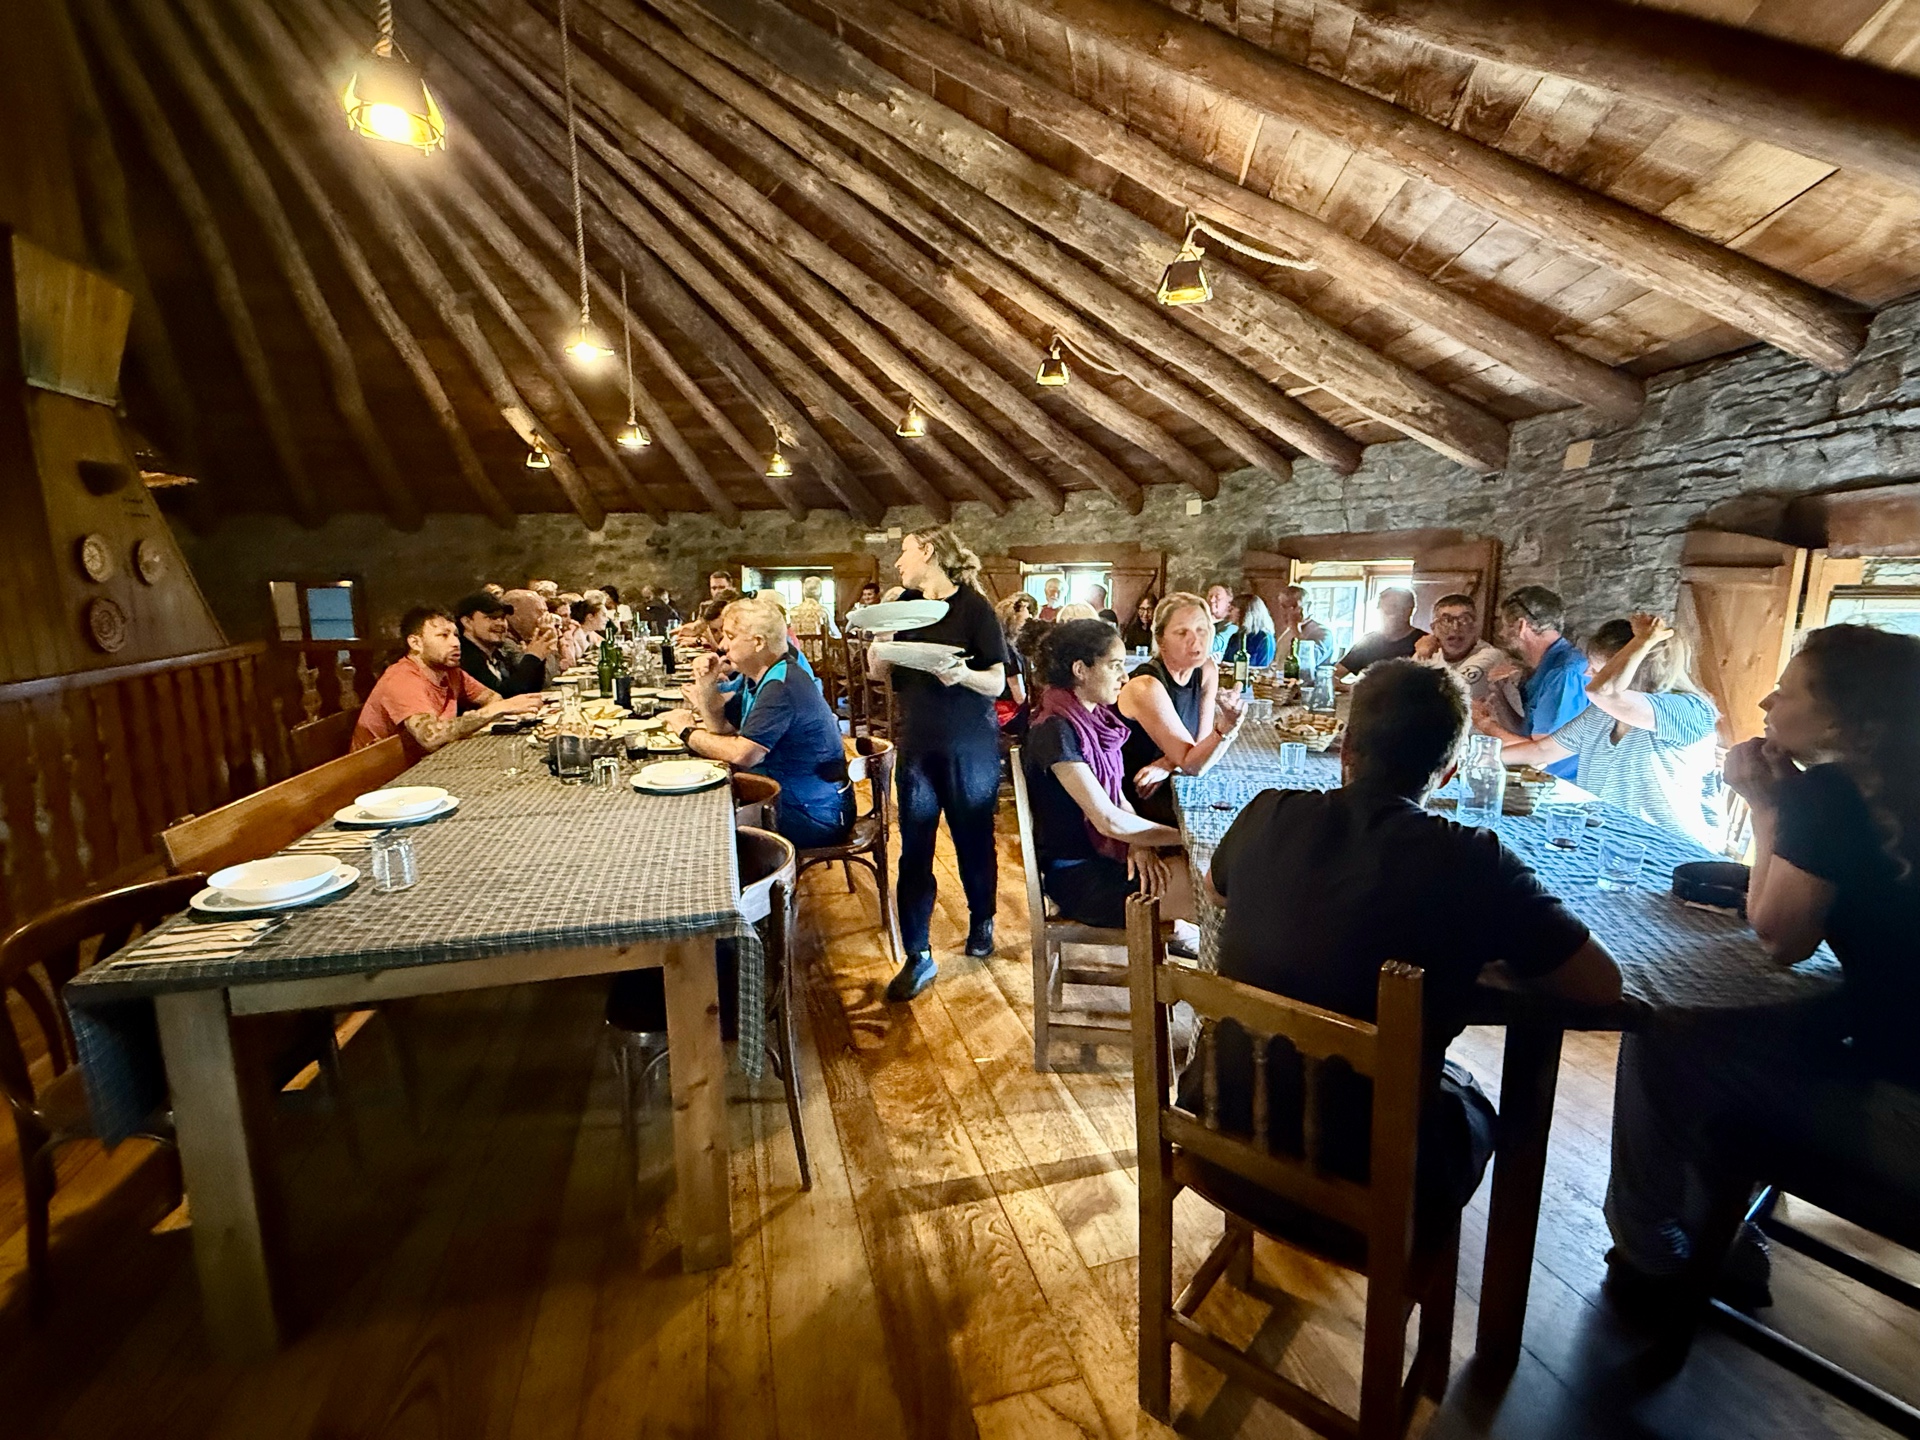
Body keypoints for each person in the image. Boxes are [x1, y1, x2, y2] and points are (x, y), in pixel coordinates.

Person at [1201, 659, 1621, 1242]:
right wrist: (1480, 955)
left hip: (1219, 1130)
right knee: (1467, 1097)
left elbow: (1217, 891)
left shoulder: (1268, 812)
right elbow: (1601, 985)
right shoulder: (1474, 861)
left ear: (1347, 748)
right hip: (1366, 1172)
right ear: (1449, 771)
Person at [1604, 626, 1920, 1312]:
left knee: (1669, 1036)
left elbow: (1780, 937)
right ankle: (1723, 1240)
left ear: (1840, 721)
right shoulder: (1897, 789)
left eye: (1788, 690)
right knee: (1781, 1030)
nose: (1768, 702)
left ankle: (1653, 1255)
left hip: (1905, 1125)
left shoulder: (1831, 795)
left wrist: (1766, 804)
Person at [865, 527, 1009, 1001]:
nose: (898, 562)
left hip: (970, 745)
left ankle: (982, 919)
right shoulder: (904, 605)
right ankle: (918, 954)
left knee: (973, 841)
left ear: (928, 552)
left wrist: (962, 673)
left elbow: (997, 684)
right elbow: (877, 672)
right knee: (915, 850)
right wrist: (881, 637)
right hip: (917, 745)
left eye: (904, 551)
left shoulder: (974, 608)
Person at [1023, 619, 1197, 932]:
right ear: (1080, 670)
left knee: (1214, 874)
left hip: (1107, 859)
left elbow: (1118, 800)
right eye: (1114, 665)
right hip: (1080, 877)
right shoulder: (1055, 730)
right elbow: (1108, 820)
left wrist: (1139, 844)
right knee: (1210, 882)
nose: (1125, 677)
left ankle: (1203, 952)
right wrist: (1190, 838)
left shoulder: (1095, 719)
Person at [1497, 615, 1721, 847]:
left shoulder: (1688, 710)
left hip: (1671, 846)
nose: (1587, 674)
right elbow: (1542, 751)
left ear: (1630, 671)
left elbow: (1603, 691)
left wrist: (1643, 641)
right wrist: (1478, 758)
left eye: (1597, 669)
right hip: (1612, 838)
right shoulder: (1602, 714)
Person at [660, 596, 853, 849]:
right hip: (792, 800)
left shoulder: (781, 686)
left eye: (730, 636)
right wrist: (707, 684)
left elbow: (744, 754)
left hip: (813, 815)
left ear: (758, 642)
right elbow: (721, 728)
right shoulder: (760, 675)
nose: (722, 645)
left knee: (701, 825)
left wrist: (686, 731)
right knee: (698, 812)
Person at [1117, 593, 1244, 826]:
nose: (1195, 641)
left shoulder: (1206, 669)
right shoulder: (1145, 686)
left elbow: (1201, 743)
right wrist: (1228, 725)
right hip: (1137, 796)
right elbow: (1195, 765)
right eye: (1182, 632)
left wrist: (1168, 763)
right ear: (1160, 639)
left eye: (1201, 630)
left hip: (1173, 778)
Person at [352, 606, 542, 753]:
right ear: (416, 643)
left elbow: (493, 698)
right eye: (443, 636)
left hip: (426, 762)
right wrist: (494, 711)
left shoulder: (450, 672)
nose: (455, 643)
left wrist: (492, 710)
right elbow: (430, 737)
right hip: (379, 778)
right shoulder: (402, 679)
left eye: (455, 635)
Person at [1478, 585, 1589, 779]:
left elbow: (1540, 752)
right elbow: (1526, 734)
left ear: (1521, 626)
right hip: (1540, 779)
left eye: (1504, 626)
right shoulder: (1545, 666)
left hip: (1563, 785)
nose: (1501, 634)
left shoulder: (1563, 674)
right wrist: (1499, 693)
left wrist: (1484, 724)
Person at [1414, 593, 1508, 701]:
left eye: (1465, 619)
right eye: (1446, 620)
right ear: (1433, 628)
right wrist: (1421, 657)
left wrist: (1421, 663)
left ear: (1475, 627)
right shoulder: (1428, 653)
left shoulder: (1490, 656)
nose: (1455, 628)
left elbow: (1450, 697)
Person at [454, 591, 546, 698]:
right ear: (467, 622)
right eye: (491, 618)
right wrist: (532, 657)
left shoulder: (498, 655)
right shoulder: (463, 658)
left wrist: (539, 656)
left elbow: (528, 688)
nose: (500, 623)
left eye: (503, 618)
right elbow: (501, 696)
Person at [1333, 587, 1425, 682]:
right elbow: (1336, 672)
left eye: (1391, 609)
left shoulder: (1425, 643)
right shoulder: (1368, 642)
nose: (1385, 614)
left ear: (1408, 611)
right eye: (1381, 608)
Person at [994, 592, 1036, 733]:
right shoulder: (1009, 650)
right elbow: (1019, 696)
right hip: (1010, 715)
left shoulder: (998, 645)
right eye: (1025, 620)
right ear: (1013, 621)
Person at [502, 588, 564, 682]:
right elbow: (545, 680)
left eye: (546, 612)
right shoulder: (506, 642)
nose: (546, 618)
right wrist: (549, 642)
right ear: (516, 615)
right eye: (540, 612)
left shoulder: (523, 638)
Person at [1271, 585, 1329, 671]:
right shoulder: (1287, 633)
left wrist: (1295, 627)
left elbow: (1305, 664)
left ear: (1308, 606)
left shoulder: (1323, 633)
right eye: (1284, 606)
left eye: (1294, 606)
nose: (1287, 611)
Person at [1221, 593, 1277, 670]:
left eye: (1232, 609)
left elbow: (1263, 669)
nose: (1229, 613)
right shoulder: (1235, 637)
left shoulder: (1264, 638)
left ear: (1244, 611)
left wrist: (1232, 666)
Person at [1206, 584, 1238, 658]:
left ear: (1229, 603)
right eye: (1210, 596)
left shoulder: (1232, 626)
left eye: (1217, 597)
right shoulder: (1203, 622)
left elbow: (1211, 647)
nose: (1212, 600)